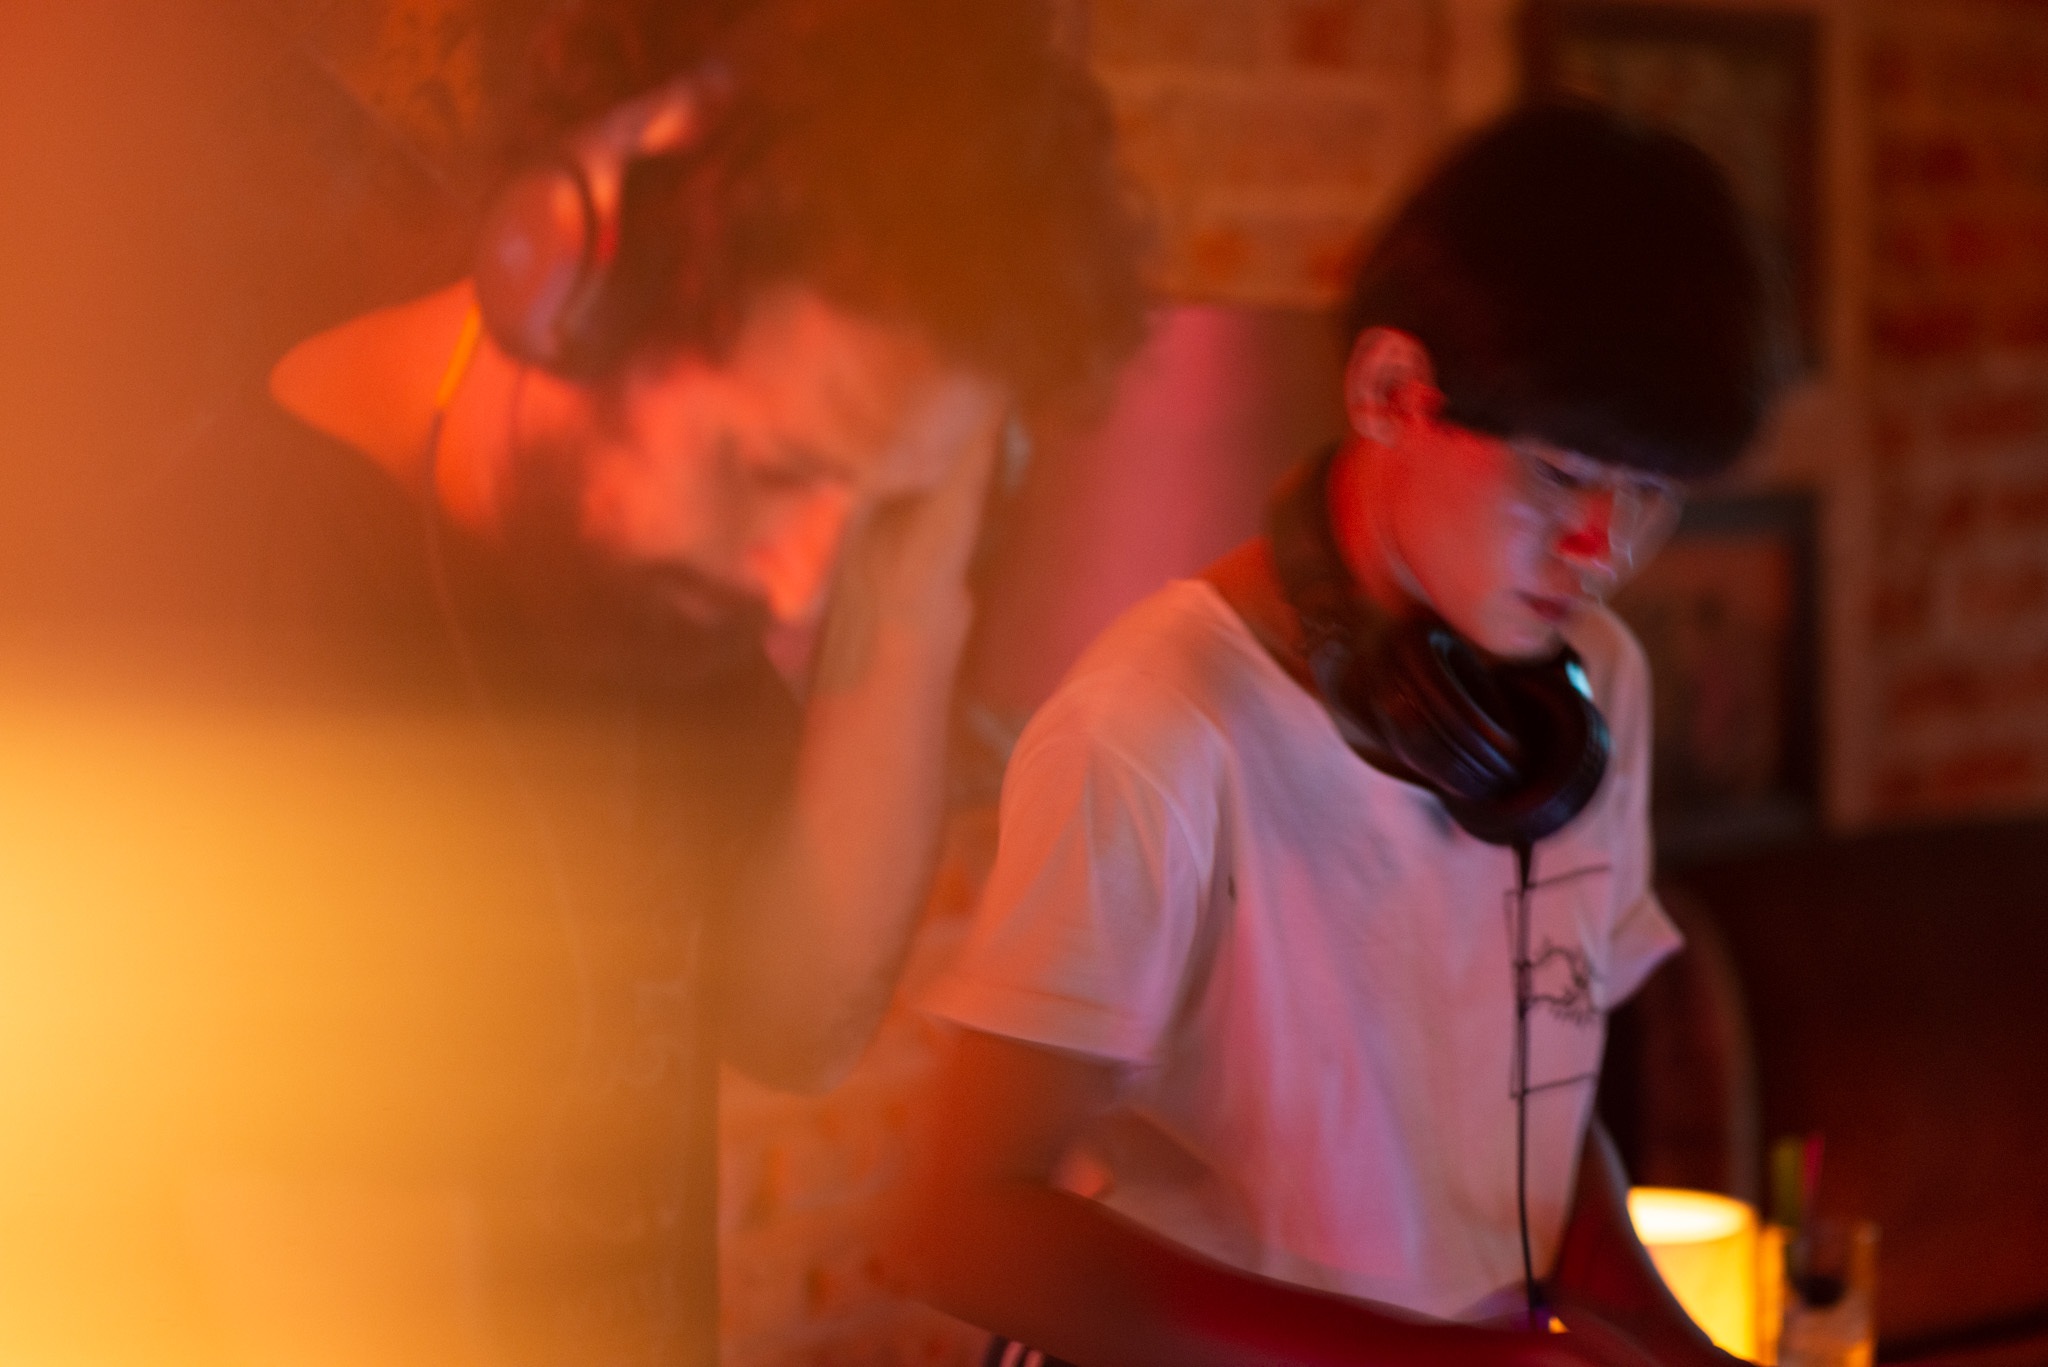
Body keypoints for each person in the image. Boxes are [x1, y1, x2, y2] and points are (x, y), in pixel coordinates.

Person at [20, 1, 1142, 1363]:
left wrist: (909, 584)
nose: (798, 582)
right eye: (772, 467)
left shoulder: (649, 570)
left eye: (875, 501)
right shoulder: (253, 646)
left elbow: (803, 1014)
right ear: (573, 284)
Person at [897, 103, 1786, 1367]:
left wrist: (1666, 1340)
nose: (1604, 550)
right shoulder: (1154, 725)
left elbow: (1527, 1115)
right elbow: (960, 1225)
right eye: (1556, 475)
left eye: (1648, 495)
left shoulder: (1595, 688)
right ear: (1386, 393)